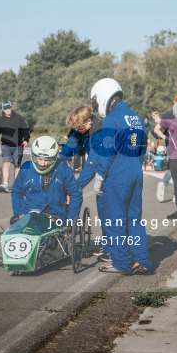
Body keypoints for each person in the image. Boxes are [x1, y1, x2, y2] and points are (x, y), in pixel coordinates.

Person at [88, 78, 152, 275]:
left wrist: (100, 175)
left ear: (103, 96)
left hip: (118, 172)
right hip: (136, 168)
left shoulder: (111, 119)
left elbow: (108, 150)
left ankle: (121, 263)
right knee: (134, 218)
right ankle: (141, 260)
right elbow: (143, 148)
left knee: (114, 219)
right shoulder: (137, 117)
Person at [60, 104, 111, 262]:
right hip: (101, 168)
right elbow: (72, 144)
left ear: (88, 121)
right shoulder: (83, 129)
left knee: (107, 210)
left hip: (112, 172)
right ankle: (108, 245)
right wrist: (59, 160)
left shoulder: (99, 133)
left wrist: (75, 188)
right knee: (102, 209)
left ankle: (112, 250)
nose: (78, 130)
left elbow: (94, 163)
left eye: (80, 127)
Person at [10, 135, 82, 229]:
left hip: (55, 216)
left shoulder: (63, 169)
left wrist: (71, 219)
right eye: (40, 159)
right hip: (28, 214)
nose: (43, 163)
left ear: (54, 158)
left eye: (47, 160)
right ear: (34, 156)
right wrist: (19, 213)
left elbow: (76, 194)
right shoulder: (26, 168)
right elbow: (16, 192)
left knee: (50, 241)